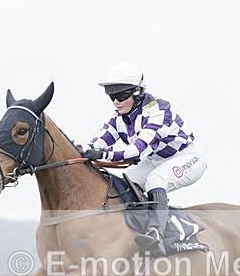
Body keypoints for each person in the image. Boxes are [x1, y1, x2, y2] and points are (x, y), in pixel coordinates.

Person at [80, 62, 207, 257]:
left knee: (156, 181)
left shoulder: (158, 111)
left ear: (138, 92)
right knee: (126, 182)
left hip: (186, 157)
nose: (116, 101)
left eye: (121, 95)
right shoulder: (119, 117)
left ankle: (156, 233)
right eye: (111, 96)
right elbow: (99, 142)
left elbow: (136, 152)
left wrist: (102, 155)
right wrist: (76, 150)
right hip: (156, 160)